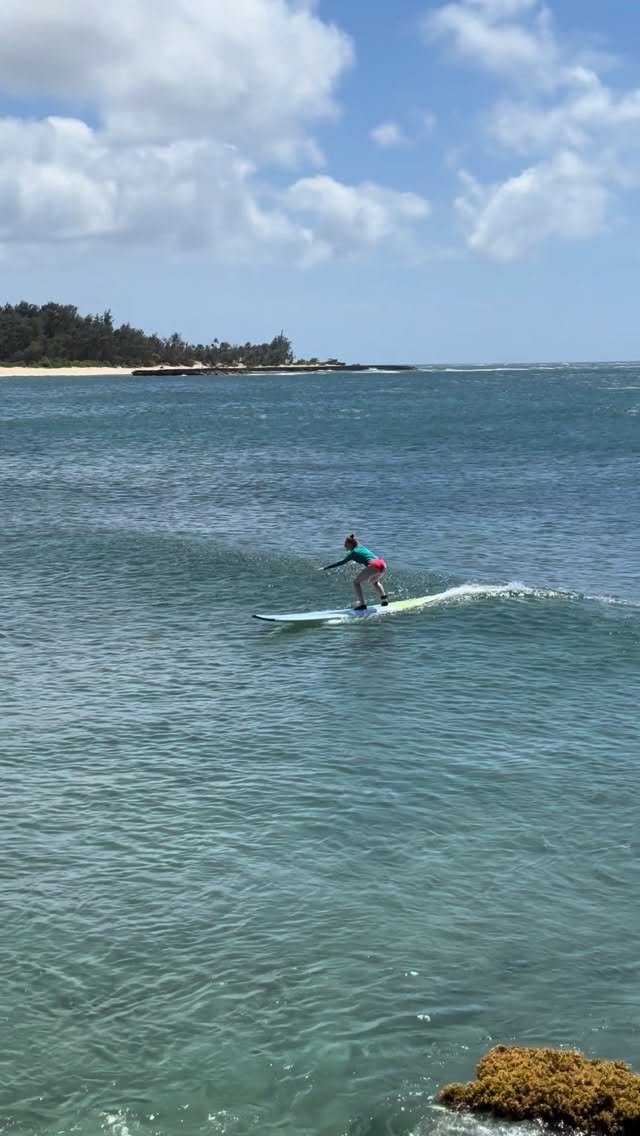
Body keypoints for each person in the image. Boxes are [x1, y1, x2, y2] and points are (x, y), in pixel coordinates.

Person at [321, 534, 389, 610]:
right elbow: (365, 556)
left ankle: (362, 604)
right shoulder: (362, 547)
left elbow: (341, 562)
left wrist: (325, 568)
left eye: (346, 544)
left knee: (356, 583)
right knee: (375, 582)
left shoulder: (353, 553)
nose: (344, 546)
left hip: (374, 565)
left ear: (350, 544)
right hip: (382, 564)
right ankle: (384, 600)